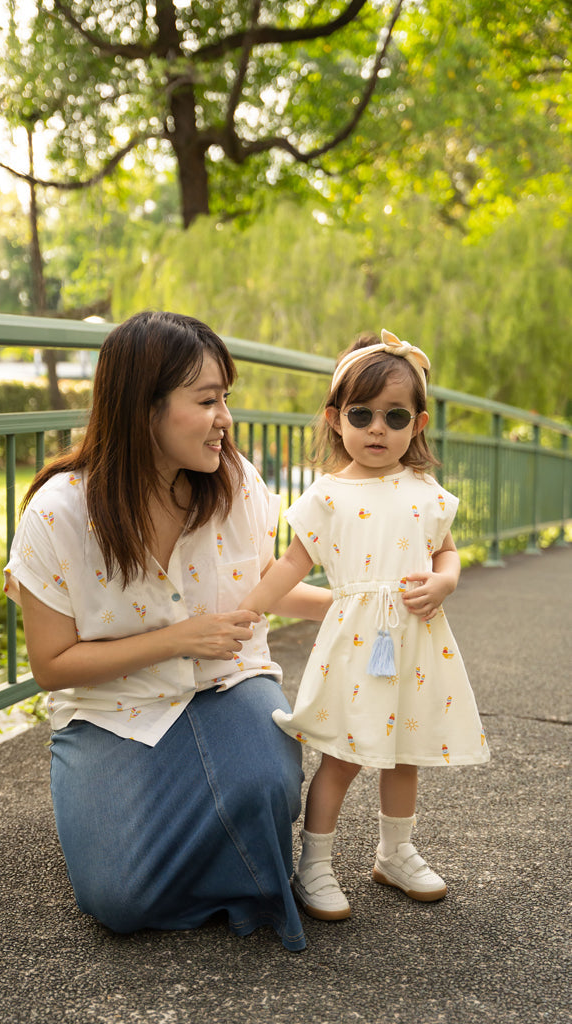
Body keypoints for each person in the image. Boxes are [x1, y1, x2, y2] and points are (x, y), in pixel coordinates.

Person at [3, 310, 330, 952]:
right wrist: (178, 638)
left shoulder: (234, 483)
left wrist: (360, 604)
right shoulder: (58, 514)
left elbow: (264, 582)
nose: (225, 419)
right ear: (143, 408)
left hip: (227, 681)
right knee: (116, 899)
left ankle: (228, 856)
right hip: (112, 709)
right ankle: (221, 855)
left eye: (225, 399)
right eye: (207, 401)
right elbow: (51, 665)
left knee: (263, 782)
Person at [239, 329, 490, 921]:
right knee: (343, 754)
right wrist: (247, 610)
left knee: (405, 752)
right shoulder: (327, 496)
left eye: (395, 416)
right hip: (355, 645)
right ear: (335, 417)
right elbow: (292, 565)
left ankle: (395, 852)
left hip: (414, 642)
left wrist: (445, 580)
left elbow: (447, 553)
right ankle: (315, 865)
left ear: (418, 424)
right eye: (362, 413)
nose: (378, 429)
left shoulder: (425, 492)